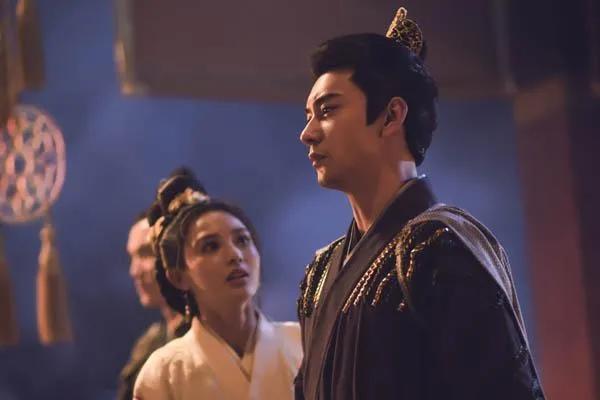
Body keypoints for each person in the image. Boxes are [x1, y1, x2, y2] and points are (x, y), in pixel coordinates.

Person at [295, 7, 545, 400]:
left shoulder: (441, 248)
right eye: (309, 115)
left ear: (392, 115)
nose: (307, 133)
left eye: (327, 110)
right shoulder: (321, 271)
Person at [133, 173, 302, 400]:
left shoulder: (304, 342)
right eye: (210, 246)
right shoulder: (163, 373)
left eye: (242, 240)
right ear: (178, 277)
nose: (235, 255)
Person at [117, 210, 190, 400]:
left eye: (145, 253)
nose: (134, 271)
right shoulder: (149, 343)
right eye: (132, 257)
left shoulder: (211, 335)